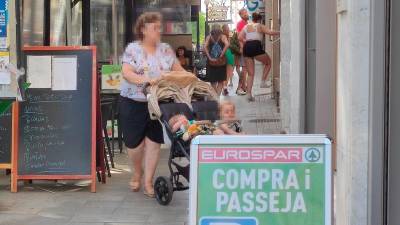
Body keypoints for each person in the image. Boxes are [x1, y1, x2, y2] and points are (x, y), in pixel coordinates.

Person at [119, 12, 184, 198]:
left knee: (154, 143)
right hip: (132, 102)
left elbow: (179, 71)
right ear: (143, 29)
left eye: (159, 27)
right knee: (134, 145)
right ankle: (137, 172)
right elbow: (126, 73)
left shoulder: (165, 49)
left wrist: (187, 79)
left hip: (157, 103)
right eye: (154, 27)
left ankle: (148, 182)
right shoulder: (133, 49)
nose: (159, 30)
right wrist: (146, 79)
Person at [239, 12, 280, 101]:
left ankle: (249, 95)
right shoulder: (260, 26)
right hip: (255, 46)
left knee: (251, 73)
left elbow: (240, 37)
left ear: (252, 18)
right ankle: (263, 81)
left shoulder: (246, 26)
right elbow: (270, 32)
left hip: (247, 47)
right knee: (268, 62)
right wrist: (280, 32)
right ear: (259, 19)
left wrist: (246, 41)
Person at [204, 24, 230, 96]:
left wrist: (209, 57)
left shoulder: (209, 37)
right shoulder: (223, 36)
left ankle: (216, 97)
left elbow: (205, 46)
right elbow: (227, 44)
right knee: (221, 80)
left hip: (211, 61)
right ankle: (217, 97)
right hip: (221, 61)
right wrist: (222, 54)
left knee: (213, 80)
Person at [235, 8, 249, 96]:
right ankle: (240, 88)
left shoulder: (245, 23)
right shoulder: (241, 24)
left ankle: (243, 86)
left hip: (246, 49)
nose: (246, 14)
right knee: (244, 69)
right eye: (244, 13)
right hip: (244, 49)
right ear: (241, 15)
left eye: (246, 12)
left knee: (245, 69)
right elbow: (239, 37)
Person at [222, 24, 235, 96]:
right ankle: (224, 87)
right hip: (228, 53)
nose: (228, 29)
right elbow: (229, 45)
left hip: (225, 54)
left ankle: (224, 87)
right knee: (228, 72)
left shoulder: (222, 36)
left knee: (226, 72)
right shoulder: (226, 36)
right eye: (228, 28)